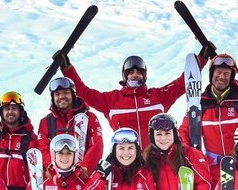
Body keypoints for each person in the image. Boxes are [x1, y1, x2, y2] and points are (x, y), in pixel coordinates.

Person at [59, 51, 205, 147]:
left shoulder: (158, 96)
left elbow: (182, 83)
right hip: (126, 159)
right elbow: (84, 91)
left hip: (156, 160)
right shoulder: (111, 100)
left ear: (145, 75)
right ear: (124, 75)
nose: (135, 75)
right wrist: (67, 69)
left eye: (139, 72)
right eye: (131, 72)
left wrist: (201, 59)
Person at [177, 53, 238, 171]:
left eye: (226, 74)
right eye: (218, 72)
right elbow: (184, 131)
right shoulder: (200, 102)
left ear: (231, 77)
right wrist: (190, 154)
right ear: (211, 73)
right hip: (211, 168)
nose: (221, 77)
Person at [35, 75, 104, 173]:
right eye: (57, 94)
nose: (62, 96)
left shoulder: (90, 118)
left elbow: (97, 145)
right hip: (56, 175)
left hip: (83, 175)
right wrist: (50, 166)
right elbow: (42, 146)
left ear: (73, 95)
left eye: (66, 93)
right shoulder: (46, 122)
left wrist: (85, 167)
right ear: (53, 98)